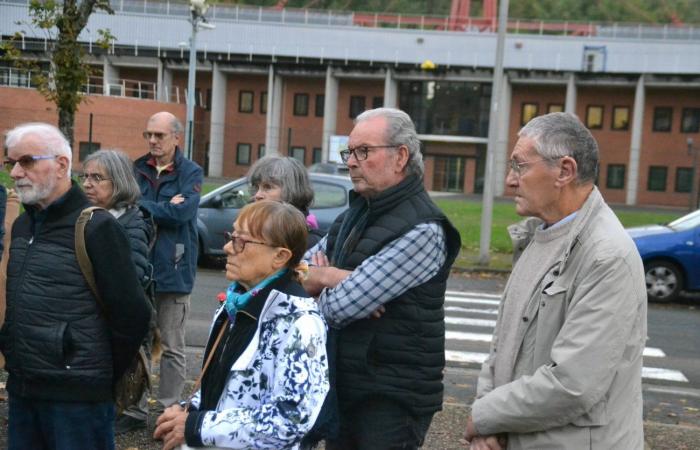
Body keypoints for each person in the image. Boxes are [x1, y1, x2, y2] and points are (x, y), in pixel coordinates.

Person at [464, 112, 647, 450]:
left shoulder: (607, 256)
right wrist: (491, 425)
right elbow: (500, 349)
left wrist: (485, 416)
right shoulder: (539, 238)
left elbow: (573, 384)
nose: (509, 180)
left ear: (565, 171)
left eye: (520, 166)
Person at [302, 107, 461, 450]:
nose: (351, 162)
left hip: (391, 401)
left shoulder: (423, 228)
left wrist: (321, 278)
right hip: (348, 388)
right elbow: (293, 280)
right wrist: (327, 276)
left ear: (400, 156)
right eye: (350, 152)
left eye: (364, 151)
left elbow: (340, 308)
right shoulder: (353, 216)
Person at [0, 122, 151, 450]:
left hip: (78, 402)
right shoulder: (24, 224)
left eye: (26, 162)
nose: (15, 173)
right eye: (10, 163)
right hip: (24, 390)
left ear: (62, 164)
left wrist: (94, 374)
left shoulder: (97, 227)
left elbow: (134, 314)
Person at [153, 200, 329, 450]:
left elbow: (291, 418)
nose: (227, 247)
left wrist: (198, 426)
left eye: (241, 241)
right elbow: (219, 383)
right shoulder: (234, 304)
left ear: (280, 256)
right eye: (230, 236)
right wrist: (188, 410)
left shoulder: (301, 323)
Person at [131, 111, 204, 432]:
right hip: (138, 269)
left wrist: (147, 205)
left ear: (177, 137)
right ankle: (132, 408)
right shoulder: (137, 168)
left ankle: (168, 411)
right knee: (136, 342)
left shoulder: (192, 172)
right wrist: (163, 207)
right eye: (149, 134)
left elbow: (183, 212)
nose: (152, 141)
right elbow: (129, 208)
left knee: (173, 345)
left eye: (159, 135)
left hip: (174, 271)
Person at [81, 149, 158, 430]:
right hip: (99, 314)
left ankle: (133, 413)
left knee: (130, 369)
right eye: (85, 176)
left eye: (97, 177)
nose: (88, 183)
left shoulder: (131, 223)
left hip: (127, 314)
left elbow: (134, 277)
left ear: (119, 182)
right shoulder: (90, 216)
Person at [247, 155, 324, 248]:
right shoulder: (250, 230)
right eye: (256, 187)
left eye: (268, 187)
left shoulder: (308, 243)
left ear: (292, 190)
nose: (257, 195)